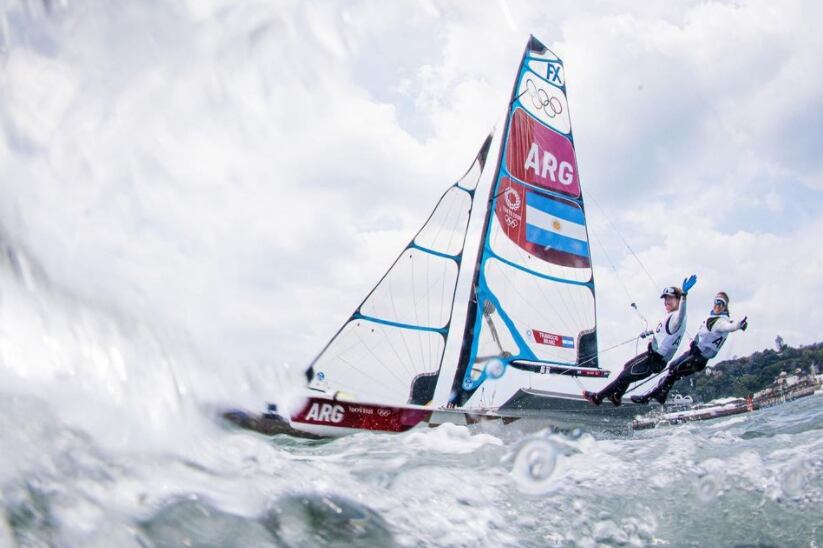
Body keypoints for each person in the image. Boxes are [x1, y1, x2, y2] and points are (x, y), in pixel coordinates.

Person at [583, 274, 696, 407]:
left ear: (678, 300)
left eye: (670, 298)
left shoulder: (678, 317)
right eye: (665, 299)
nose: (666, 301)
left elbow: (681, 316)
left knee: (624, 376)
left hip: (655, 361)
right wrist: (648, 332)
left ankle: (598, 397)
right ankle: (616, 396)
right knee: (626, 367)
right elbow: (663, 331)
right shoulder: (670, 316)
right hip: (651, 355)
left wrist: (684, 295)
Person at [630, 291, 748, 405]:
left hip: (699, 359)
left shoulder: (721, 322)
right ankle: (661, 396)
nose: (717, 305)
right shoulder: (714, 317)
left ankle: (648, 398)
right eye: (716, 301)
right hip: (693, 352)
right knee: (672, 366)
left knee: (674, 373)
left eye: (721, 303)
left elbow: (730, 327)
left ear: (725, 307)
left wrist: (739, 325)